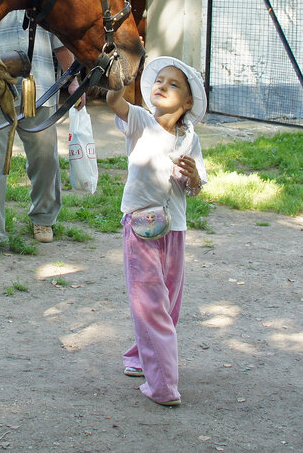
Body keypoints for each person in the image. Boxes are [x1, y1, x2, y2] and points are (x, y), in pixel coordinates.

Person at [105, 55, 207, 407]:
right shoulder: (141, 122)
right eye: (159, 81)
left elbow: (196, 187)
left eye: (173, 84)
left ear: (188, 102)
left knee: (168, 303)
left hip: (174, 229)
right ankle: (163, 384)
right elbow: (113, 102)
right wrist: (122, 77)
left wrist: (192, 176)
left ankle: (139, 358)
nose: (162, 86)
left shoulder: (189, 137)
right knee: (150, 303)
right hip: (141, 228)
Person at [0, 11, 76, 260]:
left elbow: (60, 44)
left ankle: (43, 217)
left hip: (38, 90)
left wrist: (72, 80)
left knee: (45, 159)